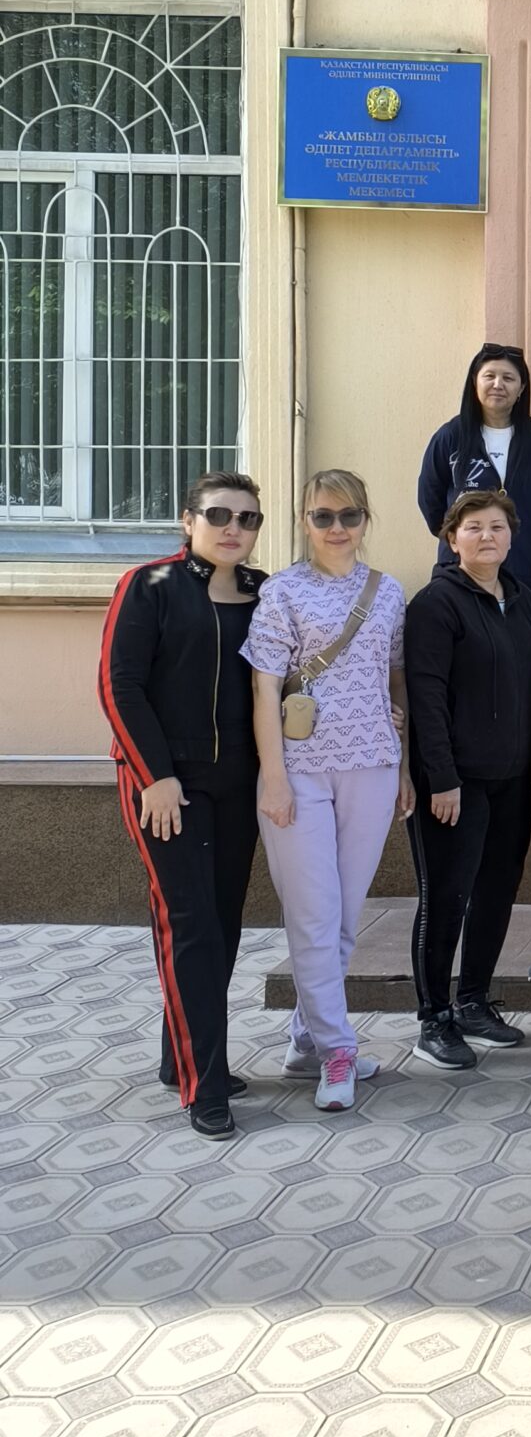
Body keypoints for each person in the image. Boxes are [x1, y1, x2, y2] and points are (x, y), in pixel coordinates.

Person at [99, 471, 267, 1140]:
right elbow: (119, 686)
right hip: (167, 786)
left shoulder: (264, 592)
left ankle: (183, 1057)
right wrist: (156, 776)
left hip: (239, 783)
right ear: (188, 520)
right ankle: (205, 1085)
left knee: (222, 923)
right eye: (219, 514)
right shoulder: (151, 585)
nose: (233, 528)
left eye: (248, 518)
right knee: (190, 923)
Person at [244, 471, 411, 1114]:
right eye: (323, 516)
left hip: (372, 767)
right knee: (313, 916)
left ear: (365, 519)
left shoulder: (387, 591)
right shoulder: (282, 591)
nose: (337, 528)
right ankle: (339, 1049)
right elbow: (264, 690)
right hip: (300, 773)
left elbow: (394, 679)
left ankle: (305, 1042)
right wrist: (275, 780)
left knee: (341, 919)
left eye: (349, 515)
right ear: (304, 522)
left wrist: (404, 767)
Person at [402, 491, 531, 1074]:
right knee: (446, 897)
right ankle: (434, 1018)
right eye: (474, 527)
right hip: (454, 783)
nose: (487, 536)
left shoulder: (523, 599)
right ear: (451, 537)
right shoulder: (436, 603)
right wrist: (441, 777)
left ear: (512, 536)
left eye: (497, 527)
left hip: (511, 778)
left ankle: (474, 1001)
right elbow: (426, 697)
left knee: (496, 893)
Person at [415, 344, 531, 626]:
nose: (498, 384)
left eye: (508, 378)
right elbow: (430, 498)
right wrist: (460, 537)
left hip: (527, 567)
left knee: (526, 646)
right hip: (462, 570)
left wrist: (522, 532)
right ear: (474, 382)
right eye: (489, 376)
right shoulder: (450, 437)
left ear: (521, 387)